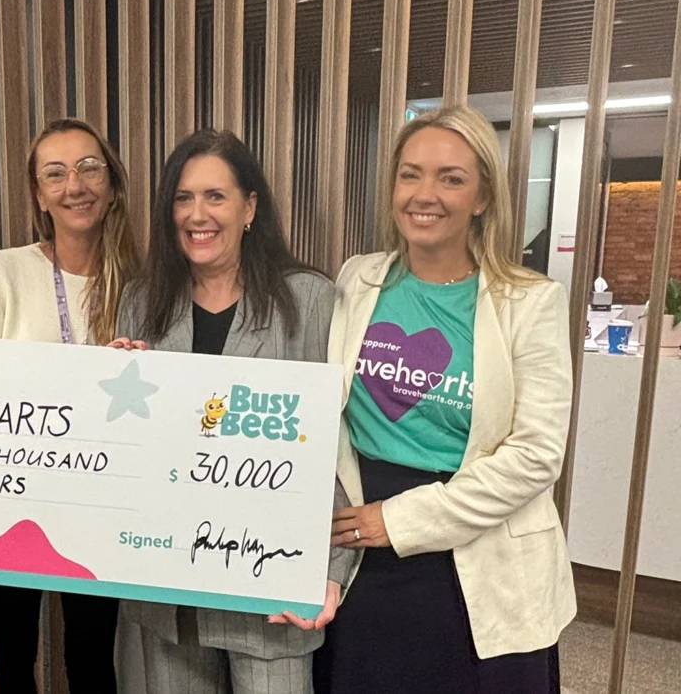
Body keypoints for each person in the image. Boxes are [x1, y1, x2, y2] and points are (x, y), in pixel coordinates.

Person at [315, 105, 576, 693]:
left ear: (482, 197)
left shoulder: (529, 302)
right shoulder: (358, 278)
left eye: (450, 178)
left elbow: (536, 455)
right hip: (365, 554)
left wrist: (401, 519)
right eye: (410, 174)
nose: (423, 194)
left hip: (480, 553)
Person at [111, 129, 353, 694]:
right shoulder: (142, 302)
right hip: (169, 598)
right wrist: (114, 395)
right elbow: (131, 452)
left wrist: (332, 572)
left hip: (273, 591)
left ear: (249, 208)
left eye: (216, 196)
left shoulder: (310, 302)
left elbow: (338, 451)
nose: (198, 214)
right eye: (183, 197)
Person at [0, 118, 141, 692]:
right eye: (56, 173)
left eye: (90, 167)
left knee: (92, 661)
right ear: (39, 194)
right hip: (12, 499)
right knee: (11, 659)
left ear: (112, 181)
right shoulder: (4, 271)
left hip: (104, 501)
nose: (75, 185)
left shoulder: (142, 283)